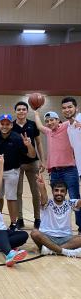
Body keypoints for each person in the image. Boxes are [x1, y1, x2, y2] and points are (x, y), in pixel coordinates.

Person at [0, 102, 45, 229]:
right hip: (11, 165)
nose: (21, 111)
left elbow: (38, 144)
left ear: (27, 111)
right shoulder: (7, 127)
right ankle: (18, 220)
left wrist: (42, 159)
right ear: (15, 112)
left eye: (24, 109)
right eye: (19, 109)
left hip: (29, 162)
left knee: (35, 192)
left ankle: (37, 218)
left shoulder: (31, 125)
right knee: (14, 194)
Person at [34, 109, 80, 232]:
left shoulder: (66, 126)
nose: (49, 123)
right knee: (57, 198)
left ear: (58, 120)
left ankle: (80, 226)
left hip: (69, 170)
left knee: (74, 197)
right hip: (54, 172)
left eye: (52, 120)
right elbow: (39, 125)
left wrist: (76, 113)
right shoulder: (48, 132)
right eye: (47, 121)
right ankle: (56, 224)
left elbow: (72, 119)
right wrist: (36, 112)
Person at [31, 175, 81, 257]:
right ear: (53, 192)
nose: (59, 193)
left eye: (62, 191)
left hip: (65, 238)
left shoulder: (70, 203)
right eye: (56, 190)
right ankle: (66, 252)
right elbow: (44, 197)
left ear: (66, 192)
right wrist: (42, 188)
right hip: (47, 238)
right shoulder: (47, 203)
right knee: (34, 233)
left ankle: (51, 250)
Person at [61, 97, 81, 232]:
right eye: (64, 108)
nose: (67, 110)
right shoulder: (68, 126)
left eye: (70, 107)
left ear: (76, 108)